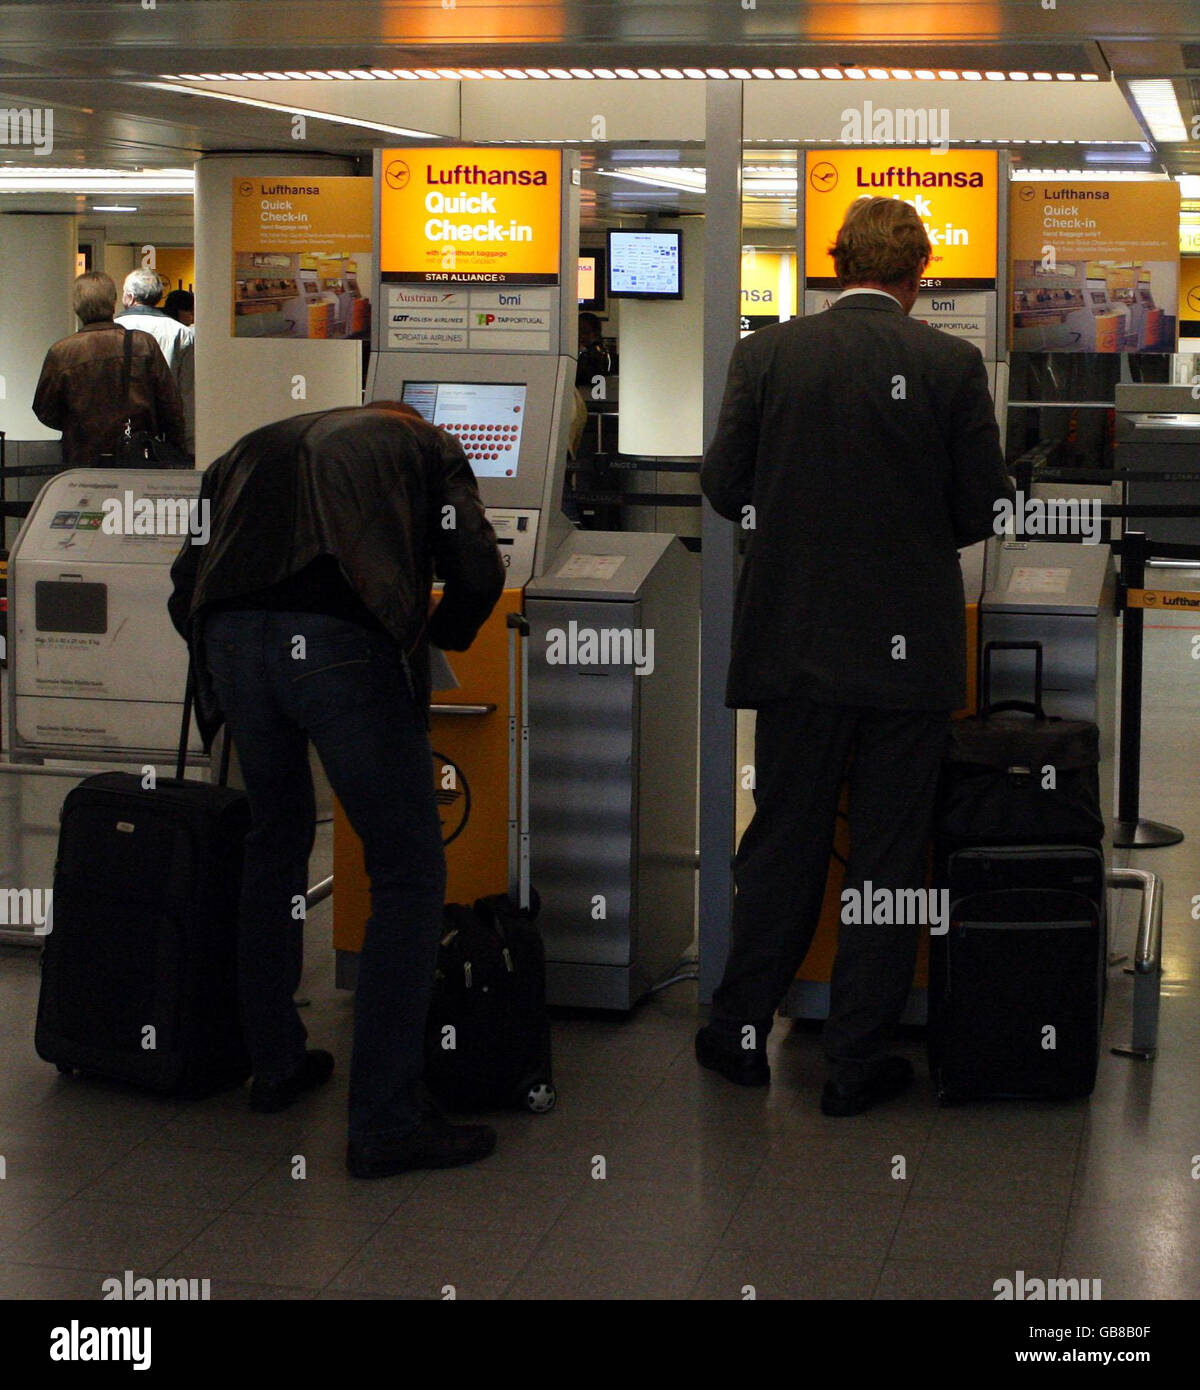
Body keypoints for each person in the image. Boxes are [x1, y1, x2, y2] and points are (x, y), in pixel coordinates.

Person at [696, 196, 1014, 1116]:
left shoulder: (768, 355)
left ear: (834, 265)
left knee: (784, 842)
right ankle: (856, 1060)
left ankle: (740, 1032)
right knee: (887, 857)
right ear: (921, 276)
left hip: (793, 645)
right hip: (907, 659)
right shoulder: (950, 365)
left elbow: (723, 487)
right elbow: (981, 508)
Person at [168, 401, 506, 1177]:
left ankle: (276, 1061)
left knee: (277, 838)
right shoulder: (429, 443)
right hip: (337, 645)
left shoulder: (247, 444)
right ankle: (386, 1121)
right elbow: (477, 563)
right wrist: (444, 634)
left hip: (231, 638)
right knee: (409, 871)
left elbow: (186, 577)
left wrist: (228, 649)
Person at [33, 270, 186, 468]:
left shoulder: (62, 352)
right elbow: (170, 404)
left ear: (76, 306)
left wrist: (77, 424)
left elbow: (44, 409)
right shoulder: (142, 343)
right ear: (114, 301)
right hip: (138, 453)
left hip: (83, 456)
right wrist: (177, 449)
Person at [115, 269, 195, 458]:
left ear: (129, 297)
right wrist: (188, 443)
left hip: (119, 430)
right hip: (165, 431)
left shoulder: (113, 327)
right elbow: (187, 392)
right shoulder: (182, 333)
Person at [569, 311, 612, 458]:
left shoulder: (597, 353)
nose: (581, 336)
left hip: (594, 411)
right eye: (578, 332)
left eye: (585, 332)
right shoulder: (580, 353)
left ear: (595, 334)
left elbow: (586, 374)